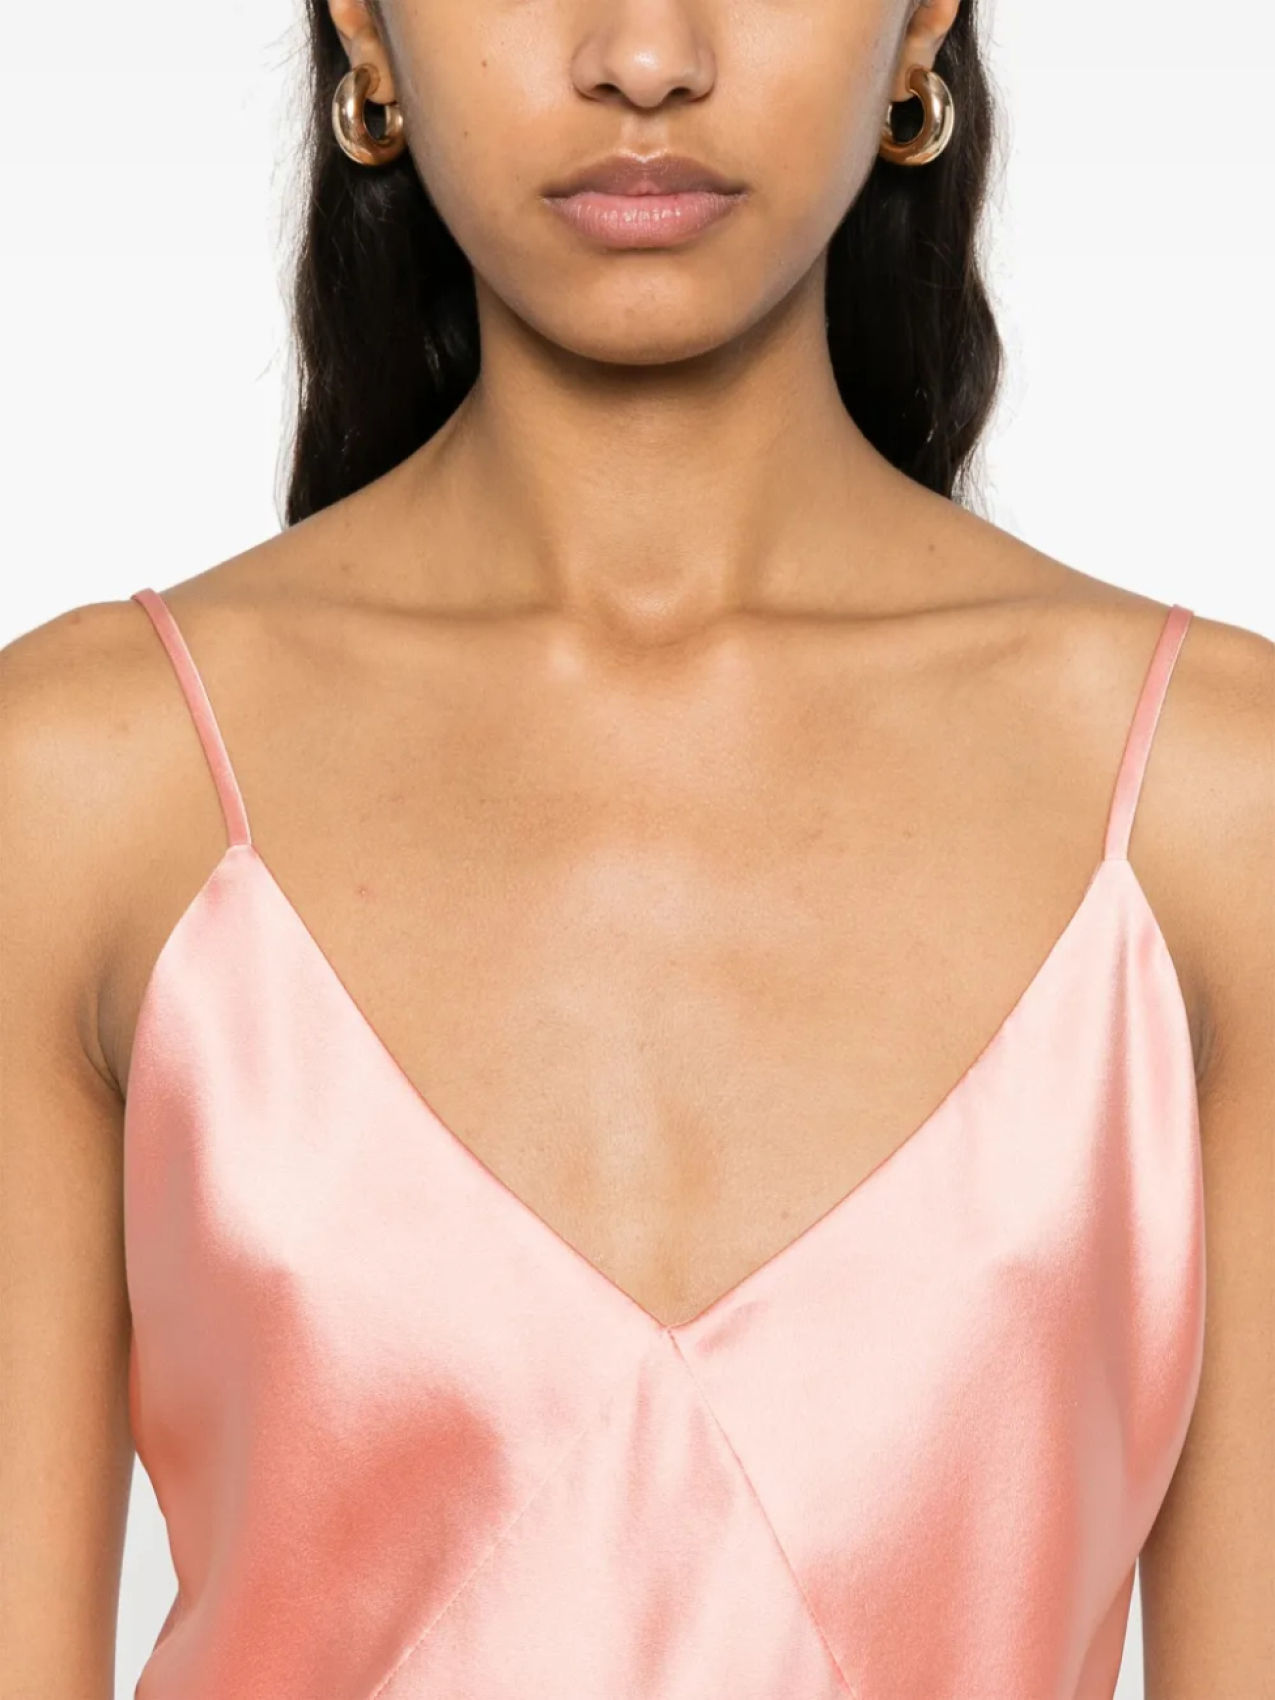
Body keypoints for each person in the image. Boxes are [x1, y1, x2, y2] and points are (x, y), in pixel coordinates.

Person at [1, 0, 1270, 1695]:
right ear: (362, 25)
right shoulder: (81, 789)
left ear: (925, 24)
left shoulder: (1219, 808)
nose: (648, 57)